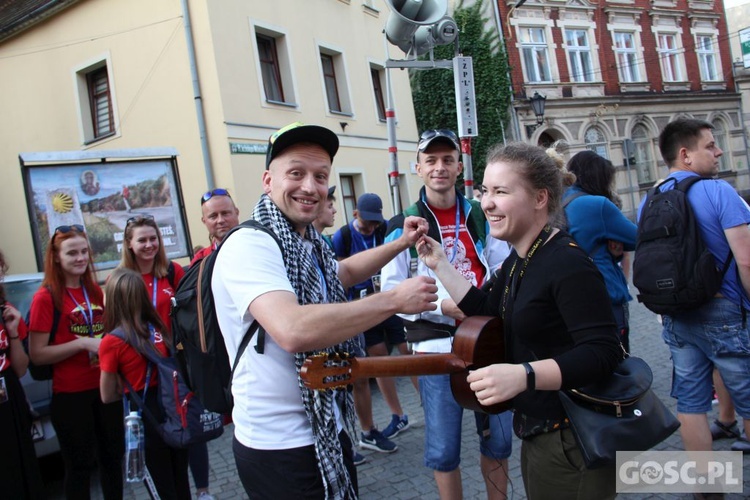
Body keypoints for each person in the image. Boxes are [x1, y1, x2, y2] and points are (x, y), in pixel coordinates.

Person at [211, 121, 438, 499]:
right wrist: (393, 300)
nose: (310, 187)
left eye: (320, 176)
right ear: (268, 180)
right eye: (295, 173)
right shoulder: (250, 244)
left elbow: (342, 272)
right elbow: (292, 329)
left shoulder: (306, 243)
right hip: (278, 446)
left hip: (327, 427)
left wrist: (402, 243)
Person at [416, 141, 622, 499]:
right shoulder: (520, 259)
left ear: (540, 198)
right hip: (540, 433)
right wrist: (440, 265)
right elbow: (487, 311)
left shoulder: (565, 261)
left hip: (574, 438)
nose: (487, 202)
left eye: (501, 191)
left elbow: (604, 353)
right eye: (484, 190)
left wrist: (524, 374)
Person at [380, 128, 513, 500]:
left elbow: (502, 266)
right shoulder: (401, 224)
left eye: (448, 160)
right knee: (443, 450)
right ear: (418, 168)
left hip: (487, 338)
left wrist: (484, 297)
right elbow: (391, 294)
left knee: (499, 441)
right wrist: (442, 304)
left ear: (458, 167)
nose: (440, 167)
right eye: (432, 160)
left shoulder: (481, 213)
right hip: (436, 348)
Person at [638, 118, 750, 459]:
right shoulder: (718, 191)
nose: (717, 153)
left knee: (690, 401)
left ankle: (706, 486)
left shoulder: (650, 200)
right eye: (710, 146)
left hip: (677, 317)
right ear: (685, 155)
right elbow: (746, 259)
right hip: (725, 311)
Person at [28, 225, 124, 500]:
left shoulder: (93, 290)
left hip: (105, 389)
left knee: (112, 461)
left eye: (84, 251)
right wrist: (82, 343)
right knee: (80, 467)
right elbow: (38, 354)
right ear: (56, 256)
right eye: (72, 253)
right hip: (71, 396)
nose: (81, 258)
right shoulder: (45, 298)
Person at [99, 267, 190, 498]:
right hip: (172, 408)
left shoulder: (111, 342)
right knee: (180, 480)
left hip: (144, 416)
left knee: (162, 487)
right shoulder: (159, 328)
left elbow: (107, 395)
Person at [332, 193, 412, 454]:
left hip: (389, 300)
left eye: (375, 222)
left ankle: (427, 409)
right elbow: (339, 273)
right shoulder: (342, 236)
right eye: (368, 223)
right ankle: (394, 415)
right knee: (378, 362)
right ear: (355, 214)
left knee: (407, 353)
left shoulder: (384, 229)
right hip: (364, 307)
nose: (372, 227)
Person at [563, 150, 637, 352]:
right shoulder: (596, 205)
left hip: (570, 298)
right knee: (617, 361)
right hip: (605, 294)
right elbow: (637, 237)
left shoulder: (560, 201)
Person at [0, 250, 45, 499]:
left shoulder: (6, 311)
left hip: (10, 399)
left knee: (21, 469)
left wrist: (14, 331)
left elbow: (19, 368)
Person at [118, 214, 185, 329]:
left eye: (153, 239)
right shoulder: (118, 279)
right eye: (142, 240)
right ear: (129, 243)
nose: (149, 245)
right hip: (139, 346)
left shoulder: (173, 271)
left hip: (172, 345)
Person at [190, 188, 241, 267]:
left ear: (237, 212)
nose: (220, 220)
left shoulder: (256, 246)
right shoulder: (200, 260)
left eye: (225, 213)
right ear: (204, 221)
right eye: (213, 216)